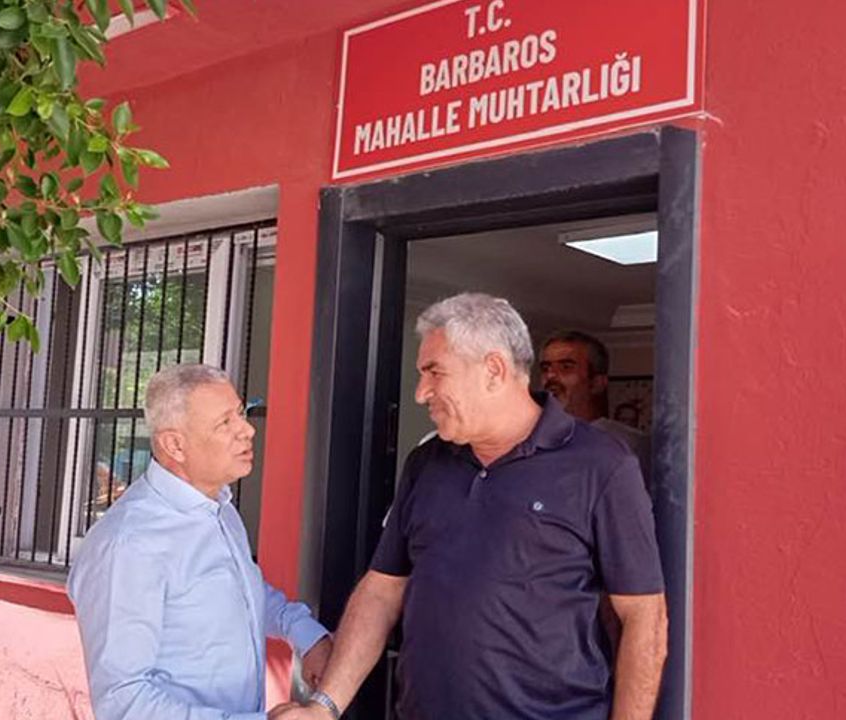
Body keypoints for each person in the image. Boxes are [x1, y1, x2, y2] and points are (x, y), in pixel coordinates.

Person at [272, 293, 667, 720]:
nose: (421, 393)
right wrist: (324, 707)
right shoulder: (426, 463)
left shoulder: (602, 464)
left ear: (493, 370)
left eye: (434, 372)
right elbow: (381, 591)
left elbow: (645, 617)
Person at [68, 363, 332, 720]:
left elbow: (241, 593)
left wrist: (307, 635)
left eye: (241, 413)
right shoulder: (129, 544)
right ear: (175, 445)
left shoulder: (218, 508)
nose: (248, 430)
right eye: (225, 422)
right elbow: (123, 704)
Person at [539, 329, 651, 477]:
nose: (551, 375)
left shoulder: (627, 444)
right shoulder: (534, 442)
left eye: (566, 367)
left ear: (596, 383)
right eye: (546, 368)